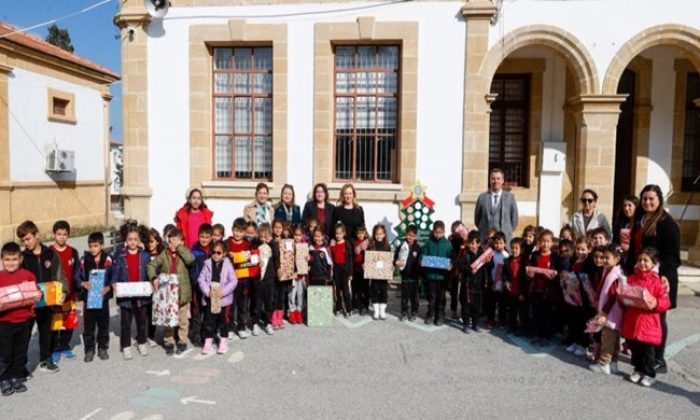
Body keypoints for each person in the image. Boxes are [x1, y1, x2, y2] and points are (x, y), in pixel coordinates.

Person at [625, 184, 680, 374]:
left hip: (659, 279)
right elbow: (633, 250)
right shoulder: (640, 219)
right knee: (638, 315)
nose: (648, 202)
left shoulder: (667, 224)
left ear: (659, 200)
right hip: (639, 275)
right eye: (645, 198)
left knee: (657, 318)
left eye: (652, 199)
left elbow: (673, 256)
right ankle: (641, 356)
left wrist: (663, 275)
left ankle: (659, 358)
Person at [16, 220, 67, 373]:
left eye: (28, 239)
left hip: (47, 302)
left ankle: (45, 360)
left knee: (46, 333)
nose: (26, 243)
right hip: (29, 304)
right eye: (23, 240)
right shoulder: (22, 257)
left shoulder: (50, 254)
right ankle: (20, 366)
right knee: (24, 335)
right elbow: (18, 279)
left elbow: (60, 276)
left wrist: (63, 291)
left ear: (37, 235)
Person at [621, 248, 671, 388]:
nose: (642, 263)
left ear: (654, 263)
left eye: (646, 260)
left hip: (648, 322)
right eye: (640, 260)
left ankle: (650, 374)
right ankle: (638, 369)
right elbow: (623, 295)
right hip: (632, 319)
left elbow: (665, 302)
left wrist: (655, 303)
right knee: (635, 349)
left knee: (647, 352)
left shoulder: (658, 282)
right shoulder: (631, 279)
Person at [147, 228, 195, 355]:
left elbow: (190, 259)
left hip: (182, 292)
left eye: (175, 241)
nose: (172, 244)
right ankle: (169, 340)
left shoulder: (184, 253)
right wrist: (154, 278)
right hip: (168, 293)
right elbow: (151, 266)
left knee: (182, 319)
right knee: (169, 319)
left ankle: (182, 340)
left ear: (181, 242)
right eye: (170, 241)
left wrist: (179, 248)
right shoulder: (164, 254)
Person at [0, 242, 36, 396]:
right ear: (1, 260)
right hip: (4, 322)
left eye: (14, 259)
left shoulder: (27, 276)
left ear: (20, 259)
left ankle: (16, 376)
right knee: (4, 353)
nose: (11, 263)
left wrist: (34, 293)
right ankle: (4, 378)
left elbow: (36, 294)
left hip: (23, 321)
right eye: (7, 259)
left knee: (20, 351)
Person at [112, 221, 152, 361]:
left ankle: (141, 342)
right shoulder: (120, 255)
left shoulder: (145, 255)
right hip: (126, 297)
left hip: (141, 296)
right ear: (125, 240)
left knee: (142, 322)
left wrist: (153, 282)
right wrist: (114, 283)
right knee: (125, 323)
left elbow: (150, 272)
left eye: (135, 239)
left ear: (139, 240)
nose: (133, 242)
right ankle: (126, 346)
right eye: (130, 239)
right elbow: (115, 272)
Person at [588, 245, 624, 375]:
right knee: (614, 339)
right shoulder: (609, 271)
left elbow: (613, 296)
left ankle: (604, 364)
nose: (603, 260)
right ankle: (613, 363)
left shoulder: (615, 275)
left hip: (610, 314)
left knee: (607, 339)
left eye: (607, 258)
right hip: (612, 313)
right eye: (603, 257)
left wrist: (604, 312)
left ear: (617, 259)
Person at [78, 232, 113, 363]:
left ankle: (103, 348)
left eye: (96, 246)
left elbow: (114, 276)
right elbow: (77, 276)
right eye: (91, 246)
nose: (93, 249)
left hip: (103, 299)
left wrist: (108, 287)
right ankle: (89, 349)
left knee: (103, 325)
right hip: (89, 299)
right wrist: (83, 283)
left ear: (102, 245)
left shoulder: (108, 259)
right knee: (89, 326)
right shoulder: (84, 260)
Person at [197, 240, 237, 355]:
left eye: (218, 253)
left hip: (223, 299)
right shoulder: (207, 264)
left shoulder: (228, 265)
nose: (215, 255)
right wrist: (207, 291)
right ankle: (208, 340)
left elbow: (233, 281)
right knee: (209, 320)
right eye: (213, 252)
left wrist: (223, 292)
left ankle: (224, 340)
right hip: (210, 297)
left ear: (224, 253)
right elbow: (201, 279)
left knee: (223, 320)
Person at [49, 220, 81, 362]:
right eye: (59, 234)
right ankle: (55, 348)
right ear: (53, 235)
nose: (62, 237)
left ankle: (65, 346)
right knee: (56, 323)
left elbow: (77, 272)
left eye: (65, 234)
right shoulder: (48, 252)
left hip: (70, 294)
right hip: (54, 295)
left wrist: (78, 290)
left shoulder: (73, 252)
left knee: (69, 322)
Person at [527, 229, 559, 345]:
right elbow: (530, 270)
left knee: (547, 315)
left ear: (552, 243)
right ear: (539, 242)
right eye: (543, 241)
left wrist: (553, 277)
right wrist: (530, 275)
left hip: (548, 291)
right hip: (536, 289)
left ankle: (546, 336)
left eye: (548, 241)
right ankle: (537, 334)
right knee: (537, 313)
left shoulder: (555, 256)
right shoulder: (535, 255)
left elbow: (557, 273)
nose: (545, 244)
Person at [474, 168, 519, 243]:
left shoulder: (510, 198)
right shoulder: (482, 198)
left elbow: (514, 220)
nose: (496, 181)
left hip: (504, 242)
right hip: (486, 241)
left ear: (502, 180)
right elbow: (477, 219)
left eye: (498, 179)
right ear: (490, 180)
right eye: (493, 179)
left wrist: (506, 230)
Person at [421, 221, 452, 326]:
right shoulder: (429, 243)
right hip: (431, 276)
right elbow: (423, 254)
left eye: (440, 232)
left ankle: (440, 315)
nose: (437, 234)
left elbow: (451, 258)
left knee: (441, 298)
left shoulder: (447, 244)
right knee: (431, 297)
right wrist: (422, 260)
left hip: (442, 277)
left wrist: (450, 265)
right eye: (435, 232)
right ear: (433, 231)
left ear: (443, 232)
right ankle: (430, 314)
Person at [457, 230, 489, 333]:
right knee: (466, 306)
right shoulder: (465, 253)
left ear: (479, 243)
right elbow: (460, 266)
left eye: (473, 243)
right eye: (469, 242)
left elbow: (489, 267)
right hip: (467, 286)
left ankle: (475, 324)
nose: (471, 245)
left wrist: (489, 262)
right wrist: (470, 270)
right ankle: (466, 324)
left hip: (479, 286)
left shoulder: (482, 254)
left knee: (477, 308)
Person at [228, 218, 254, 339]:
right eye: (236, 231)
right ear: (232, 229)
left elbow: (251, 260)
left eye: (240, 232)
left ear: (244, 233)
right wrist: (229, 254)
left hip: (243, 280)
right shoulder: (227, 243)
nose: (238, 234)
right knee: (231, 305)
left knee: (242, 305)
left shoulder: (247, 244)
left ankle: (241, 327)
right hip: (229, 280)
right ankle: (230, 328)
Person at [189, 224, 213, 347]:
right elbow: (192, 269)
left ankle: (207, 334)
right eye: (201, 237)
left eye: (207, 237)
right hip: (198, 287)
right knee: (197, 312)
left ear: (211, 237)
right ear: (198, 236)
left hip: (211, 286)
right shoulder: (194, 251)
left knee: (209, 312)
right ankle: (196, 335)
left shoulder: (214, 250)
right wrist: (195, 281)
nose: (204, 239)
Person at [255, 223, 279, 335]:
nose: (263, 239)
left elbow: (277, 255)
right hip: (258, 278)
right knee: (257, 302)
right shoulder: (255, 245)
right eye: (261, 237)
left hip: (269, 278)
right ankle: (255, 322)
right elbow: (252, 257)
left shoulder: (272, 245)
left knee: (269, 301)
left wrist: (271, 242)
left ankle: (268, 322)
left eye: (265, 237)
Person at [395, 225, 421, 322]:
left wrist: (421, 274)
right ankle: (404, 312)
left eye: (412, 236)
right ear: (406, 234)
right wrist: (395, 262)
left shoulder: (418, 248)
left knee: (415, 296)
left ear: (416, 236)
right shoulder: (401, 246)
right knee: (404, 295)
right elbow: (395, 258)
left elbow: (420, 262)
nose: (410, 237)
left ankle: (414, 312)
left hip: (414, 276)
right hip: (405, 275)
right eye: (408, 235)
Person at [367, 224, 391, 321]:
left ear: (384, 234)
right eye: (376, 234)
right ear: (374, 234)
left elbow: (389, 259)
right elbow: (368, 259)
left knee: (384, 291)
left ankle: (382, 311)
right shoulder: (371, 245)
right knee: (374, 291)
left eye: (380, 234)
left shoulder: (387, 246)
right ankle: (376, 311)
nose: (378, 236)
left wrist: (391, 267)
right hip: (374, 274)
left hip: (383, 274)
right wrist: (366, 265)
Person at [144, 228, 164, 347]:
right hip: (146, 287)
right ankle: (148, 334)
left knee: (158, 310)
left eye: (152, 241)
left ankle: (161, 334)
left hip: (159, 286)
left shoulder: (162, 254)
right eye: (147, 242)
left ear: (157, 241)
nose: (149, 244)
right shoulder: (144, 254)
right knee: (147, 312)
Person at [486, 232, 509, 329]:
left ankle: (502, 321)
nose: (498, 245)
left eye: (500, 243)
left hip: (502, 284)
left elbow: (508, 271)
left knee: (502, 304)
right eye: (496, 243)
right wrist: (488, 262)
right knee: (491, 303)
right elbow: (488, 268)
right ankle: (490, 320)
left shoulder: (507, 256)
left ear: (505, 243)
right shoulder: (491, 254)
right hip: (492, 282)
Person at [505, 237, 528, 335]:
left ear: (521, 250)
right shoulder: (508, 260)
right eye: (512, 248)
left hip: (521, 291)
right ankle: (512, 326)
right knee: (512, 310)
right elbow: (505, 273)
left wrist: (523, 293)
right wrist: (506, 281)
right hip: (511, 291)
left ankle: (523, 329)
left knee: (522, 312)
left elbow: (527, 280)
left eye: (516, 248)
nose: (514, 250)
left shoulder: (524, 262)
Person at [330, 224, 353, 317]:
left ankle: (348, 309)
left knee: (346, 291)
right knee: (337, 291)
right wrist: (332, 246)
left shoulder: (347, 244)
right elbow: (331, 255)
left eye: (340, 233)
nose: (338, 235)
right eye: (336, 234)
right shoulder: (333, 244)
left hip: (345, 270)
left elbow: (350, 260)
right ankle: (338, 307)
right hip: (336, 270)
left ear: (344, 233)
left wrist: (350, 273)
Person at [288, 225, 308, 325]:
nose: (297, 237)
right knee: (291, 294)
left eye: (299, 235)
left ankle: (299, 311)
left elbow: (309, 258)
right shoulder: (289, 245)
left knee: (300, 294)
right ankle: (292, 312)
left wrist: (309, 258)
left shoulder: (304, 245)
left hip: (301, 275)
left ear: (303, 236)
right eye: (295, 235)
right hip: (291, 275)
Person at [352, 225, 369, 315]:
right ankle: (356, 306)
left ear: (365, 233)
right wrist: (357, 249)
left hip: (365, 270)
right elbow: (354, 253)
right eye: (358, 234)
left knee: (365, 289)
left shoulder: (368, 242)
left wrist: (366, 248)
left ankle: (365, 306)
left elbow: (371, 254)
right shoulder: (354, 242)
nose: (360, 235)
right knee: (356, 289)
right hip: (356, 268)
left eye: (362, 233)